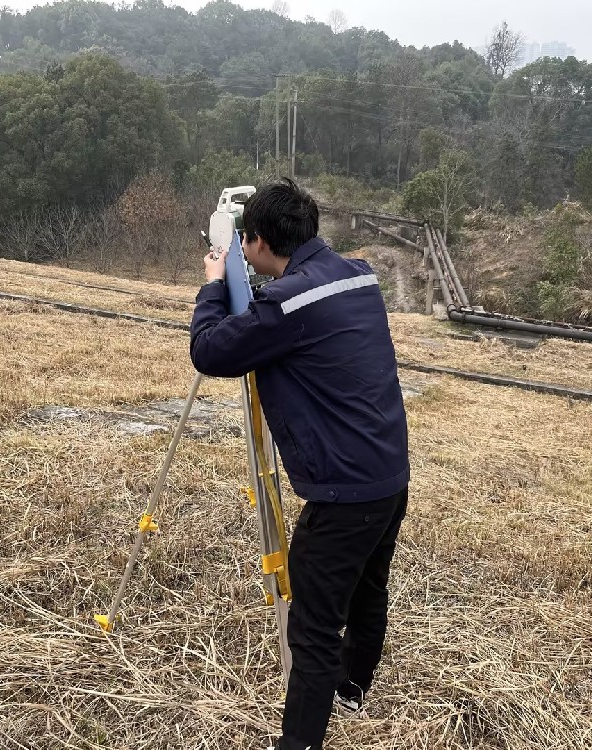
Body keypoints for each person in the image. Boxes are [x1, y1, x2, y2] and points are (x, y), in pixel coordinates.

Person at [190, 179, 410, 750]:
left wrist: (215, 286)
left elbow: (211, 352)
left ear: (258, 242)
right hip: (389, 474)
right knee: (367, 587)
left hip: (344, 496)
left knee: (312, 628)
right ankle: (354, 687)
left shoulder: (286, 302)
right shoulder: (358, 273)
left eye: (244, 243)